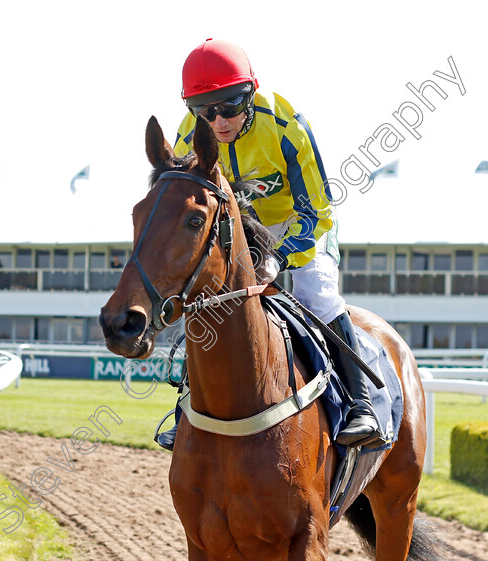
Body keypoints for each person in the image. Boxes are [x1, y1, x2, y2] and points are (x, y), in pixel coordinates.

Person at [155, 39, 382, 451]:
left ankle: (360, 406)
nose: (219, 121)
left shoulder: (285, 126)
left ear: (251, 92)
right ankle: (185, 407)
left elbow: (317, 211)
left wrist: (278, 256)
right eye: (205, 110)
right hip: (239, 228)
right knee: (205, 300)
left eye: (230, 105)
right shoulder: (190, 134)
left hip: (299, 222)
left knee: (317, 293)